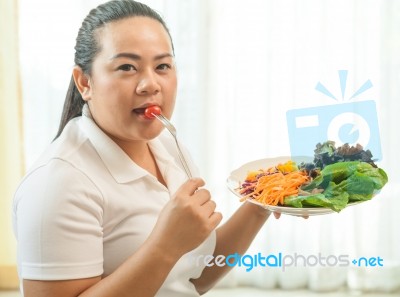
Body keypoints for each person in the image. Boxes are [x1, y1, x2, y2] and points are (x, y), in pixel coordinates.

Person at [13, 1, 278, 296]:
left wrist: (262, 201)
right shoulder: (57, 184)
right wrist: (165, 245)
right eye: (127, 67)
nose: (150, 85)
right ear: (85, 82)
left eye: (162, 66)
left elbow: (193, 278)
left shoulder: (165, 144)